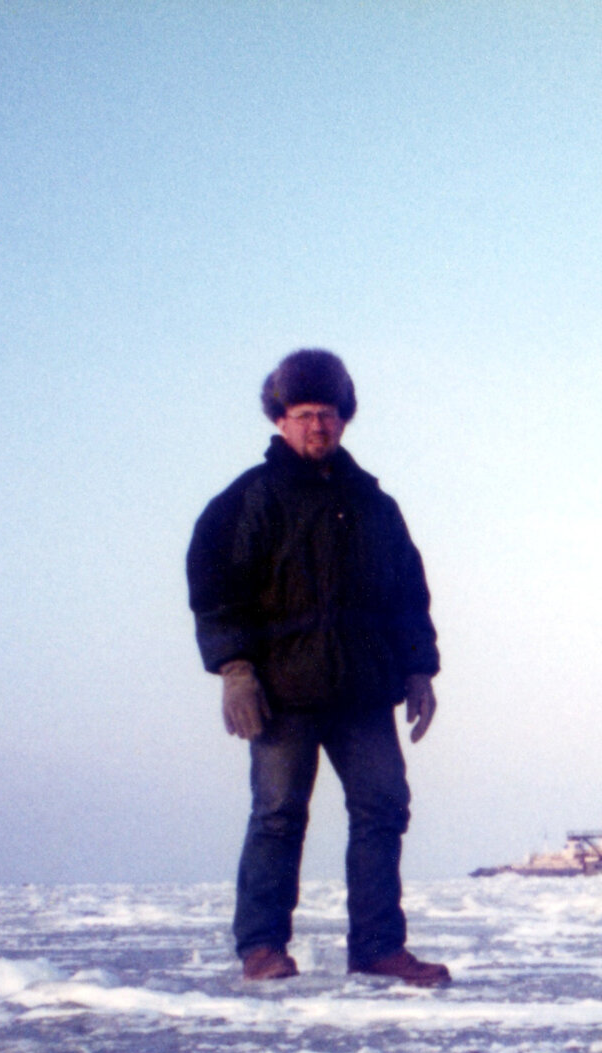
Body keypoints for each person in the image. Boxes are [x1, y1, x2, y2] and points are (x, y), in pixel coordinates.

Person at [186, 349, 450, 985]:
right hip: (282, 692)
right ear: (280, 419)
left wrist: (419, 671)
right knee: (279, 814)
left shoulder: (372, 504)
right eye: (302, 414)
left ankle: (378, 948)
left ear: (344, 419)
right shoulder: (250, 498)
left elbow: (407, 593)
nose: (317, 427)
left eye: (327, 414)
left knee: (384, 808)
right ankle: (261, 947)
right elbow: (216, 586)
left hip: (362, 689)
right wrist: (236, 670)